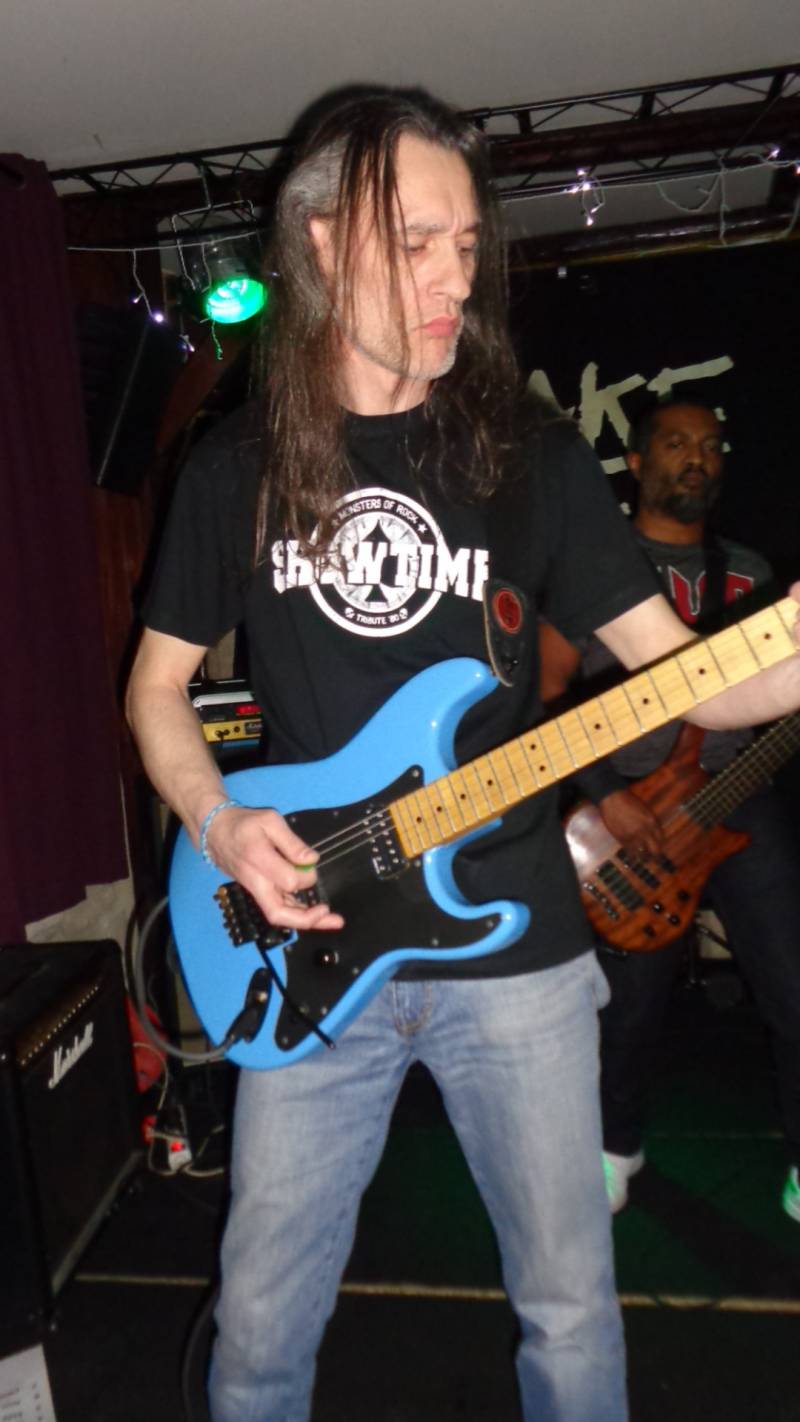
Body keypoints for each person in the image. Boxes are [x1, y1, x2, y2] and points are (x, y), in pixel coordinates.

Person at [126, 89, 800, 1422]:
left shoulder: (530, 455)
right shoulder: (234, 465)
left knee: (571, 1311)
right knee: (259, 1328)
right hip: (307, 939)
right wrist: (216, 820)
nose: (456, 277)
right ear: (323, 244)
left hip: (516, 951)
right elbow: (155, 689)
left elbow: (691, 675)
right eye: (417, 243)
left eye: (468, 244)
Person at [538, 397, 800, 1222]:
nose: (698, 457)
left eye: (712, 446)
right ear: (635, 464)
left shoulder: (749, 573)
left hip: (739, 800)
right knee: (630, 1005)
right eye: (678, 443)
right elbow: (543, 692)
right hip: (631, 816)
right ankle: (615, 1146)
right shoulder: (595, 569)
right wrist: (607, 795)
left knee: (794, 987)